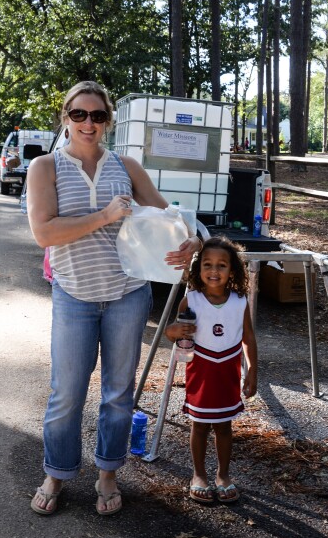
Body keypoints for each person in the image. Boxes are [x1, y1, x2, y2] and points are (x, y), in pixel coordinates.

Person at [26, 81, 202, 516]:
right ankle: (57, 472)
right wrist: (104, 216)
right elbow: (44, 233)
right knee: (66, 392)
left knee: (118, 394)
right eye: (80, 114)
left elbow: (170, 219)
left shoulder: (126, 166)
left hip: (127, 295)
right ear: (65, 118)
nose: (89, 123)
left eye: (98, 116)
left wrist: (191, 241)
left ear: (108, 121)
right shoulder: (45, 167)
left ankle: (107, 472)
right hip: (75, 295)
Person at [164, 237, 258, 505]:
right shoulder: (190, 299)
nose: (214, 271)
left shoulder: (240, 301)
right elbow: (173, 332)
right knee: (200, 425)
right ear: (198, 268)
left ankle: (223, 476)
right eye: (207, 264)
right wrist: (173, 331)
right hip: (201, 369)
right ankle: (199, 475)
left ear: (233, 270)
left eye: (221, 265)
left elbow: (249, 339)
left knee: (224, 425)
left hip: (227, 371)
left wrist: (252, 371)